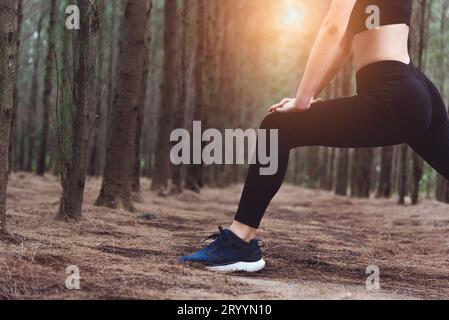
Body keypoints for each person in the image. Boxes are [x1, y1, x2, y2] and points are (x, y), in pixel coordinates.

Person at [179, 0, 449, 272]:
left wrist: (303, 100)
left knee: (277, 128)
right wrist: (306, 97)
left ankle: (239, 242)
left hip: (394, 95)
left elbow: (333, 29)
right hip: (419, 91)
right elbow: (343, 45)